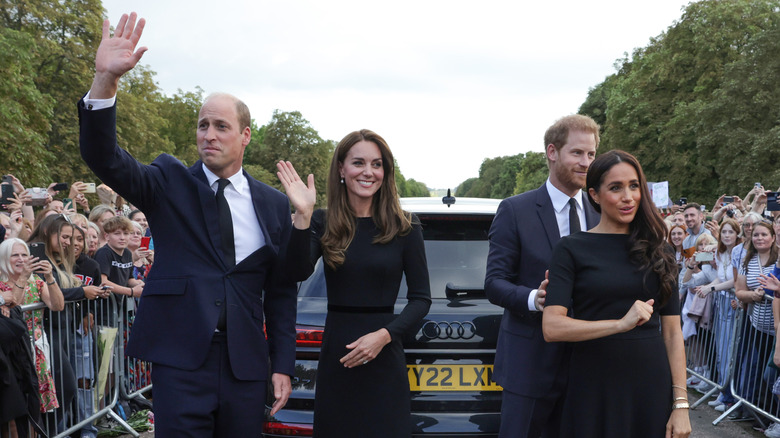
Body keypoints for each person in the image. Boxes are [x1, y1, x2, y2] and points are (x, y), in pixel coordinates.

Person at [78, 12, 301, 435]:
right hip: (180, 361)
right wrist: (105, 80)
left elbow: (282, 291)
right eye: (203, 126)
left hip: (246, 366)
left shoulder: (272, 204)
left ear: (246, 135)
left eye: (221, 126)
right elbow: (104, 156)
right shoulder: (167, 182)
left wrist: (283, 365)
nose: (209, 135)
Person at [276, 129, 432, 437]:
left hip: (385, 361)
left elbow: (421, 299)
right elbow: (295, 271)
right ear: (341, 169)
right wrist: (303, 215)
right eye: (358, 162)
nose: (368, 172)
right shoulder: (323, 221)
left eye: (377, 164)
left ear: (385, 172)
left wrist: (384, 336)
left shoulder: (406, 227)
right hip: (338, 360)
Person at [542, 150, 691, 437]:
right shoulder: (571, 249)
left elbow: (673, 334)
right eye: (615, 187)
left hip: (650, 389)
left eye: (634, 186)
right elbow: (552, 327)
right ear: (595, 195)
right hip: (592, 387)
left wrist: (681, 405)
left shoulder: (660, 250)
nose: (628, 196)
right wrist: (620, 324)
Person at [484, 114, 600, 437]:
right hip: (529, 367)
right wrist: (536, 299)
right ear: (552, 152)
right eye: (577, 153)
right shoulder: (515, 210)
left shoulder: (600, 211)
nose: (586, 162)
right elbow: (494, 283)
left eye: (591, 155)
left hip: (587, 368)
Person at [0, 238, 65, 414]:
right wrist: (22, 277)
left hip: (37, 347)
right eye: (15, 255)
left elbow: (57, 305)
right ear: (4, 258)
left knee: (38, 402)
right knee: (22, 403)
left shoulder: (35, 280)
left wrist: (50, 277)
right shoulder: (1, 282)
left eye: (24, 255)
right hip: (14, 351)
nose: (21, 259)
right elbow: (15, 305)